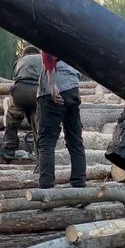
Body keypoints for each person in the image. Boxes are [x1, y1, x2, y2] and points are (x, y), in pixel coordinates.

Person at [36, 52, 86, 189]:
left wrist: (52, 84)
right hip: (72, 87)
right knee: (75, 140)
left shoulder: (50, 31)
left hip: (53, 89)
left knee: (46, 142)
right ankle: (79, 185)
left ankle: (46, 187)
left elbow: (48, 52)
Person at [1, 45, 42, 160]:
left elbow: (16, 79)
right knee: (36, 117)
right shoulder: (43, 59)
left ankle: (9, 148)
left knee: (13, 116)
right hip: (37, 92)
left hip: (20, 90)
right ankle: (42, 151)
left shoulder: (20, 60)